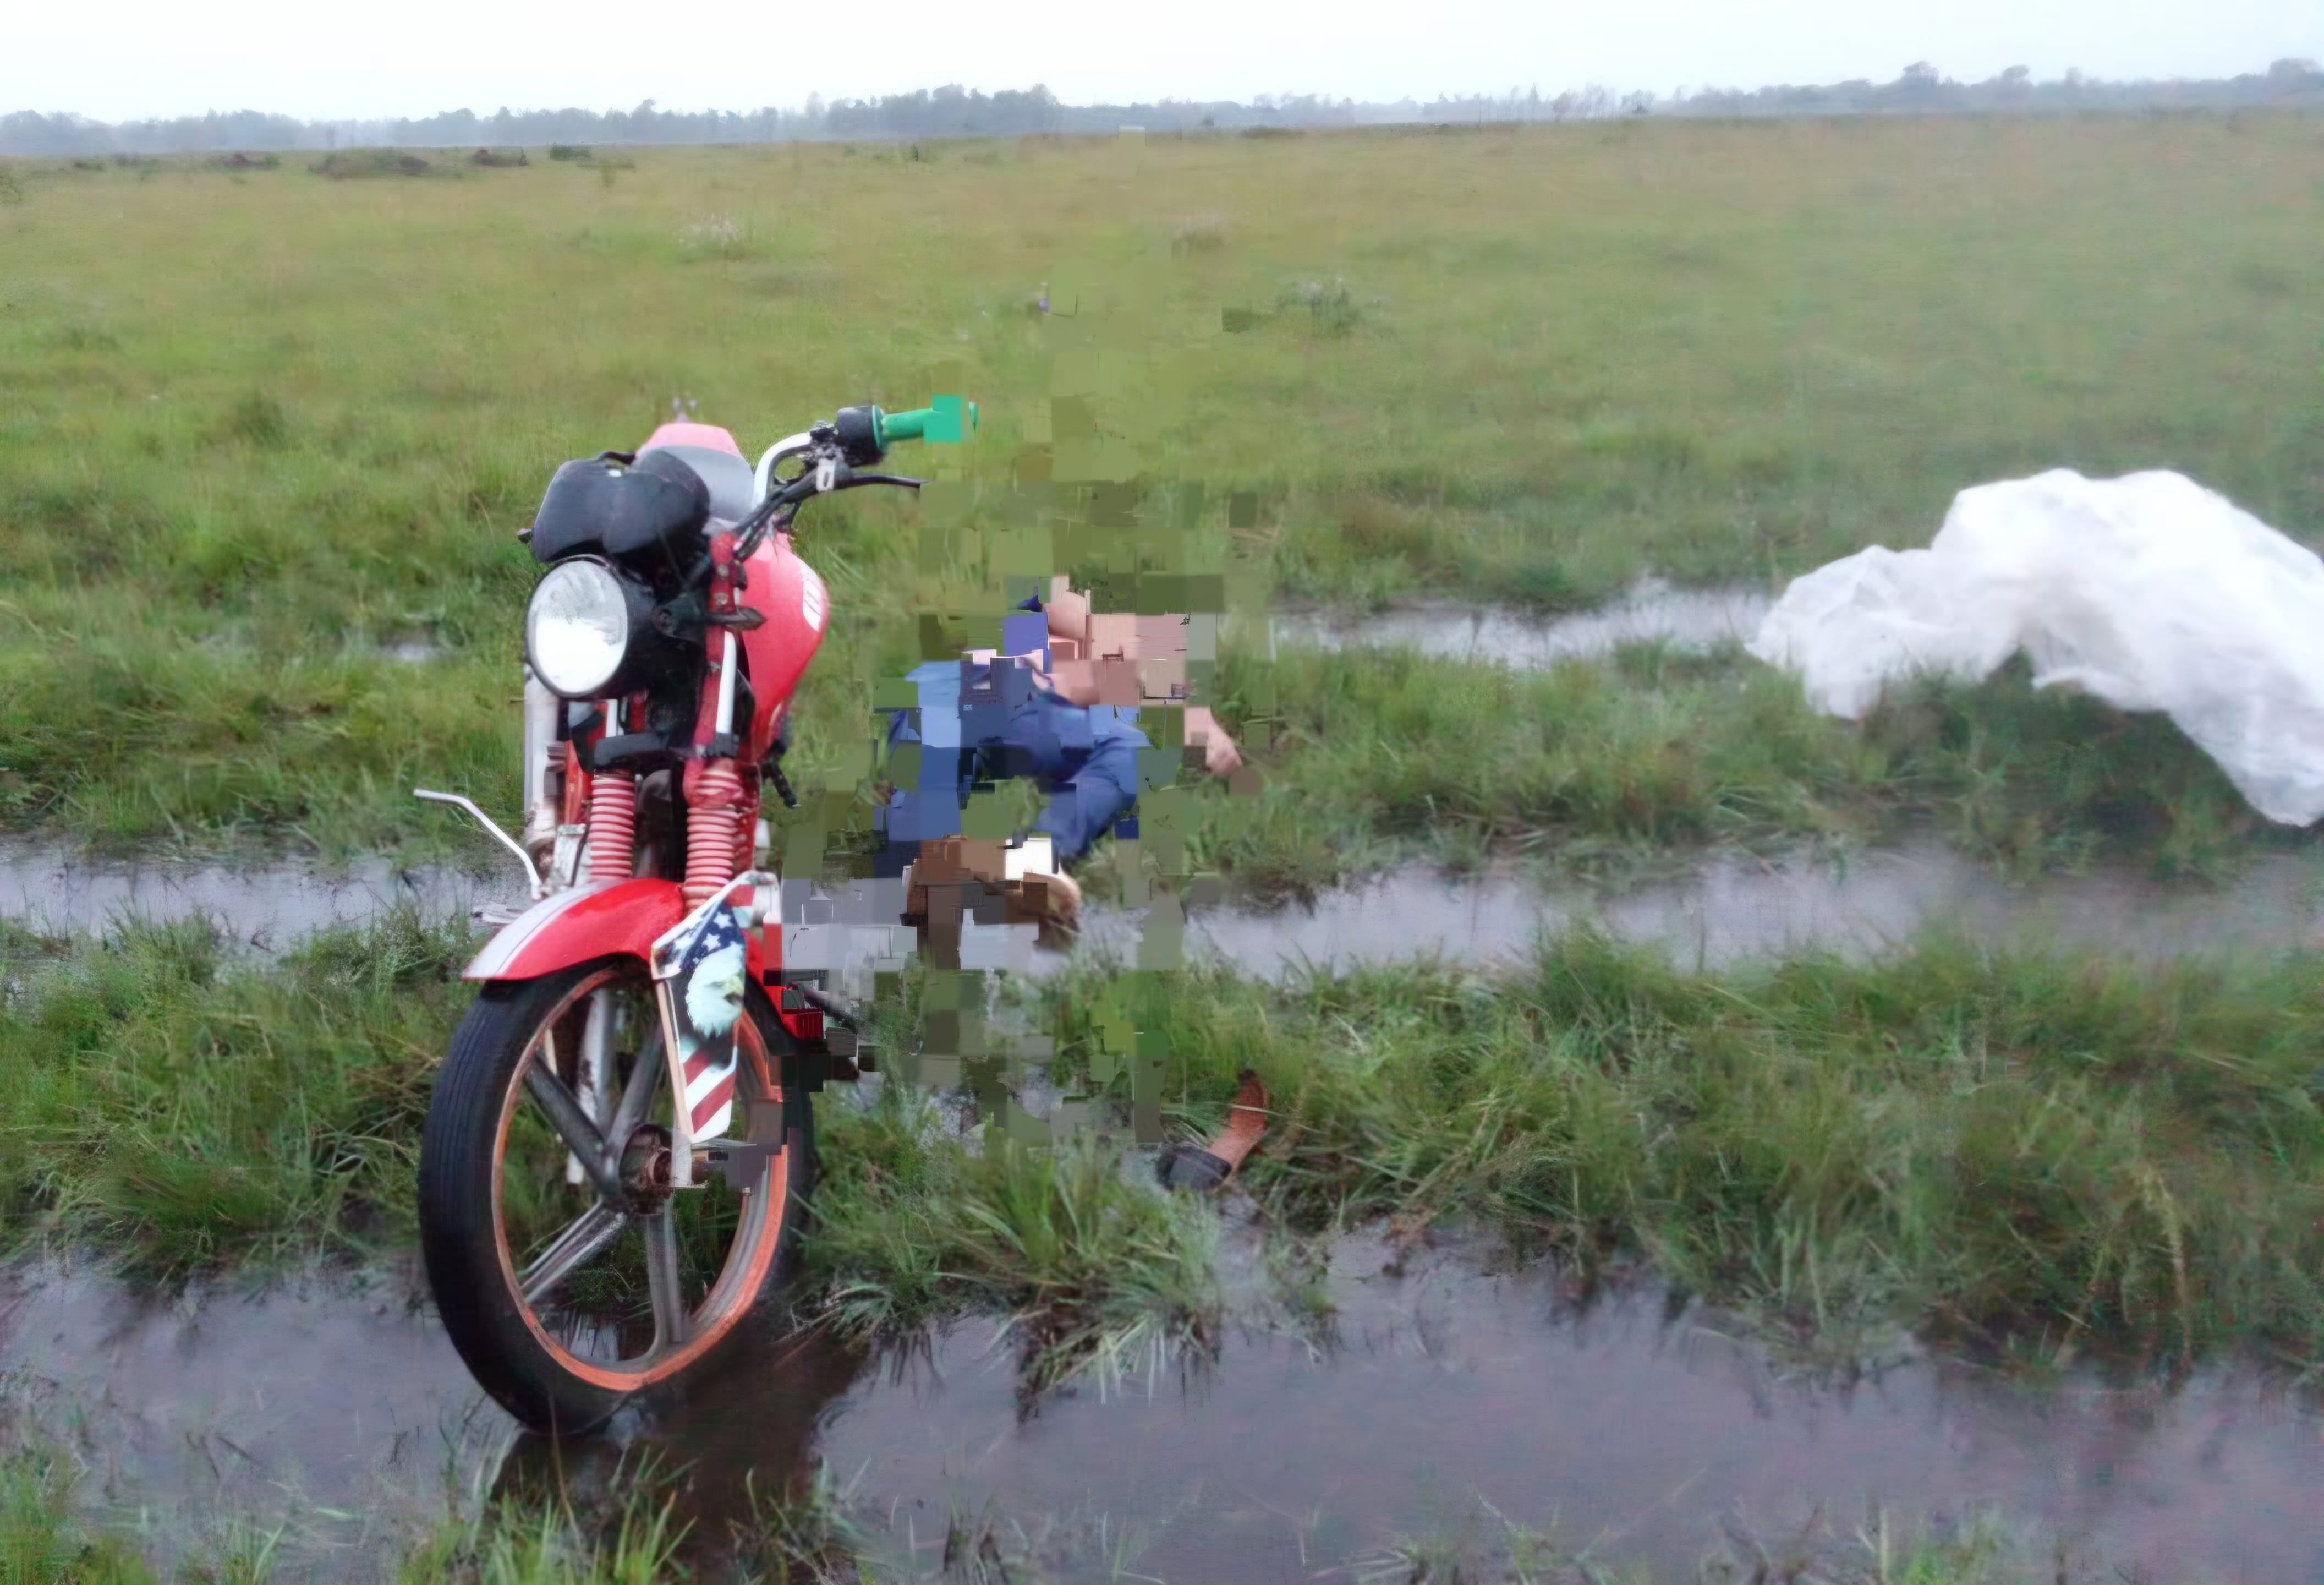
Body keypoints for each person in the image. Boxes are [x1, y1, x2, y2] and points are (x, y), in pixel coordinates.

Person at [878, 577, 1241, 930]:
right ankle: (924, 855)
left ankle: (1035, 856)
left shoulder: (1128, 687)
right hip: (973, 683)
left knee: (1132, 752)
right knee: (936, 741)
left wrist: (1203, 726)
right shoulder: (1062, 610)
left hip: (1044, 715)